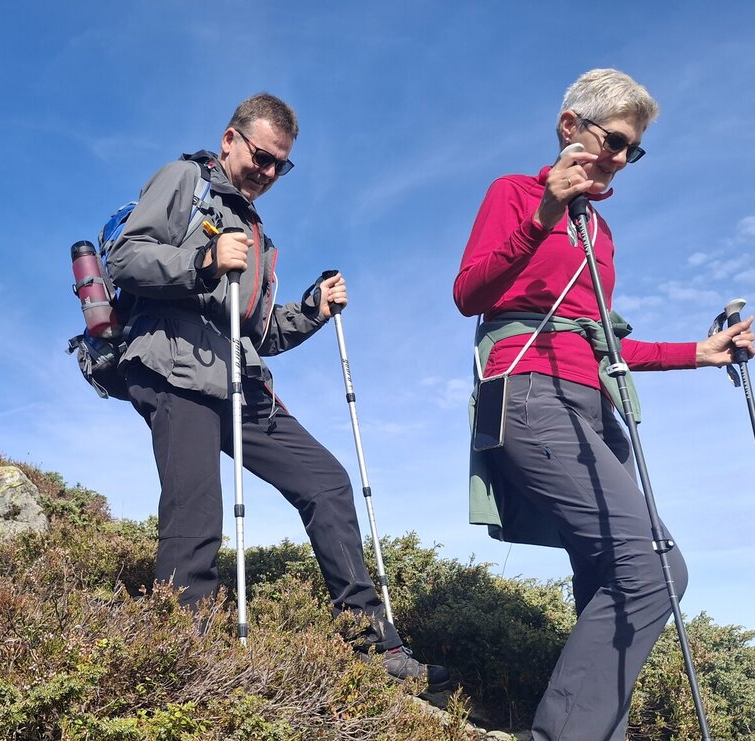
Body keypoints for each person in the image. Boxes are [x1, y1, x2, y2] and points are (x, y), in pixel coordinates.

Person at [109, 92, 449, 690]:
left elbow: (258, 332)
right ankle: (184, 663)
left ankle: (370, 642)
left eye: (279, 165)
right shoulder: (184, 181)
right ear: (229, 139)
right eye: (261, 157)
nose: (267, 172)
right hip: (174, 370)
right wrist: (206, 260)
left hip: (239, 383)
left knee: (325, 480)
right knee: (196, 517)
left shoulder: (260, 234)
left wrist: (312, 310)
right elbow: (127, 258)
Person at [454, 68, 755, 740]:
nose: (621, 159)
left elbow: (602, 341)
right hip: (528, 392)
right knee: (650, 567)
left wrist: (698, 353)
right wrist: (541, 218)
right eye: (615, 141)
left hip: (594, 407)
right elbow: (470, 292)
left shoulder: (601, 232)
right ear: (571, 128)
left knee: (623, 573)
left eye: (632, 150)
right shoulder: (517, 193)